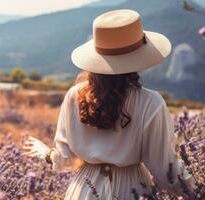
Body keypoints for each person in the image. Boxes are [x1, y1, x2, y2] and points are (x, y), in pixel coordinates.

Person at [23, 9, 194, 199]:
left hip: (83, 191)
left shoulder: (75, 95)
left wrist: (46, 153)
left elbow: (65, 158)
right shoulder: (151, 103)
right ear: (139, 56)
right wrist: (200, 188)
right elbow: (165, 170)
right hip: (131, 191)